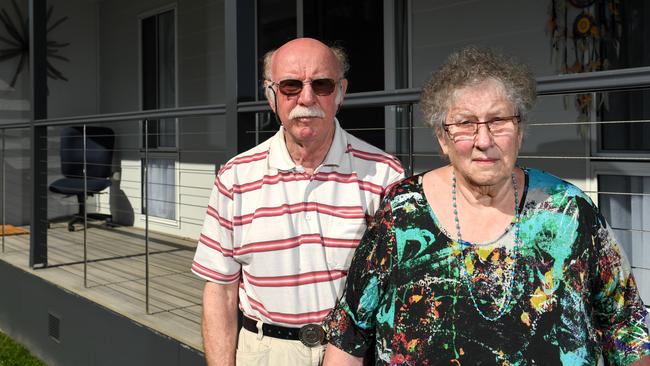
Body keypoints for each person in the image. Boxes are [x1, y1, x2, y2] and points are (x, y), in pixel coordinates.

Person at [323, 46, 650, 365]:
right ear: (442, 138)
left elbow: (624, 323)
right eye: (465, 123)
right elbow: (351, 328)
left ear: (519, 130)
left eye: (498, 121)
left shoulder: (569, 210)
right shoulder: (401, 211)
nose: (483, 140)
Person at [191, 37, 404, 366]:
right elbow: (219, 290)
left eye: (322, 85)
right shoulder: (235, 178)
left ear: (341, 92)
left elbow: (398, 287)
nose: (307, 98)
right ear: (271, 96)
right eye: (291, 86)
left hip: (356, 352)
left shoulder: (384, 175)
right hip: (265, 353)